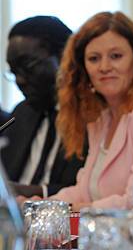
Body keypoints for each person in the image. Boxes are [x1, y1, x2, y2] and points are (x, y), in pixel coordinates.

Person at [30, 11, 133, 210]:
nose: (104, 67)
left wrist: (71, 209)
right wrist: (39, 205)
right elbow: (83, 190)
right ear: (83, 68)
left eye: (116, 56)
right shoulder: (101, 117)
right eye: (94, 58)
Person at [1, 16, 84, 196]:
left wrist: (26, 192)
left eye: (28, 66)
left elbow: (95, 190)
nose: (20, 80)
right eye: (14, 72)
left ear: (64, 57)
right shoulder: (22, 113)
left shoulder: (94, 116)